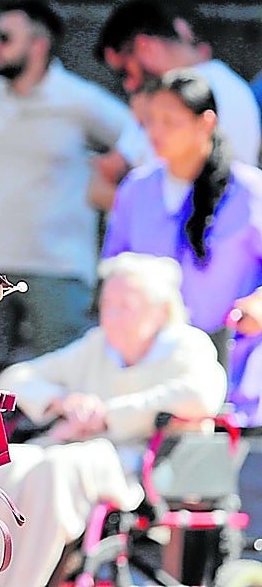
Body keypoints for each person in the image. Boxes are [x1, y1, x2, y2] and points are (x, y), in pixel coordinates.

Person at [0, 252, 227, 587]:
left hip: (137, 460)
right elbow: (15, 378)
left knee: (59, 469)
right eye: (107, 303)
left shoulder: (186, 345)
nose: (112, 315)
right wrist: (62, 402)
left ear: (161, 310)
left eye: (126, 305)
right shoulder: (97, 345)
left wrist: (107, 413)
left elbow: (202, 395)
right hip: (73, 446)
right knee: (7, 464)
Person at [0, 0, 132, 366]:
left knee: (61, 385)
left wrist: (112, 181)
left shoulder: (79, 101)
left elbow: (142, 141)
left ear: (39, 44)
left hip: (59, 269)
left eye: (4, 37)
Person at [102, 68, 262, 427]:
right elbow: (113, 271)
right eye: (150, 121)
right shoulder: (135, 190)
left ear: (205, 123)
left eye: (170, 122)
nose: (155, 133)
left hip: (235, 372)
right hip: (151, 374)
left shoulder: (250, 191)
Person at [90, 0, 261, 210]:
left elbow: (162, 201)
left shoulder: (201, 94)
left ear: (146, 47)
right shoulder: (225, 87)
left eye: (125, 71)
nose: (130, 85)